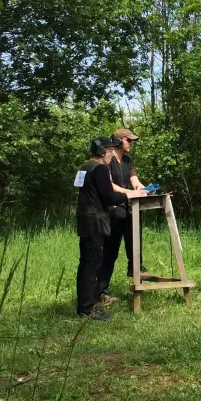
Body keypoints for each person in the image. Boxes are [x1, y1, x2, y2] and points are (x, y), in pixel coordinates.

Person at [74, 136, 142, 320]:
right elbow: (110, 196)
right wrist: (131, 196)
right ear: (101, 151)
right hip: (95, 220)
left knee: (86, 262)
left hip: (84, 219)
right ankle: (87, 309)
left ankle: (85, 305)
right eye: (110, 150)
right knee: (92, 263)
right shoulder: (100, 169)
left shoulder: (84, 167)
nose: (112, 154)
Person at [97, 128, 147, 301]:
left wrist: (141, 189)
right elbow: (111, 186)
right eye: (129, 140)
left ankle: (135, 267)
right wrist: (130, 193)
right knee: (110, 252)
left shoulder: (128, 160)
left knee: (135, 238)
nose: (131, 144)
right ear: (119, 141)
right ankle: (101, 291)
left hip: (128, 208)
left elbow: (134, 179)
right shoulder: (108, 160)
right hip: (112, 209)